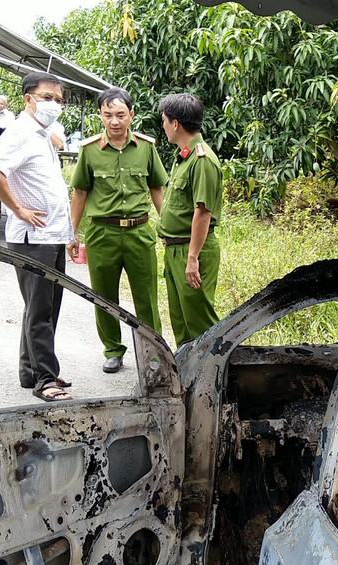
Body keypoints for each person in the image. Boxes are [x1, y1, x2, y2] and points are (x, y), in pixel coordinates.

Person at [0, 71, 75, 403]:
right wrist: (18, 208)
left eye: (59, 100)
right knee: (41, 310)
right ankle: (46, 379)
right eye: (47, 97)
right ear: (28, 99)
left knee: (43, 306)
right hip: (33, 236)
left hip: (50, 235)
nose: (54, 105)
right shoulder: (20, 132)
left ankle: (30, 370)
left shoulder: (41, 134)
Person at [68, 87, 168, 372]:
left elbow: (157, 188)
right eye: (108, 115)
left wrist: (168, 227)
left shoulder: (146, 148)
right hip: (102, 234)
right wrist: (72, 233)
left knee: (146, 296)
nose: (114, 121)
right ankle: (113, 349)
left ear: (131, 115)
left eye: (120, 115)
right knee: (103, 296)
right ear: (100, 116)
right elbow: (80, 193)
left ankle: (153, 352)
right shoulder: (89, 151)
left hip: (139, 232)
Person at [157, 93, 223, 345]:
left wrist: (193, 258)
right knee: (181, 320)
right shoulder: (183, 157)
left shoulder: (202, 160)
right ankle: (187, 375)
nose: (163, 126)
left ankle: (214, 377)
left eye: (164, 121)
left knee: (199, 321)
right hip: (175, 249)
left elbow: (203, 213)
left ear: (175, 124)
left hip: (192, 249)